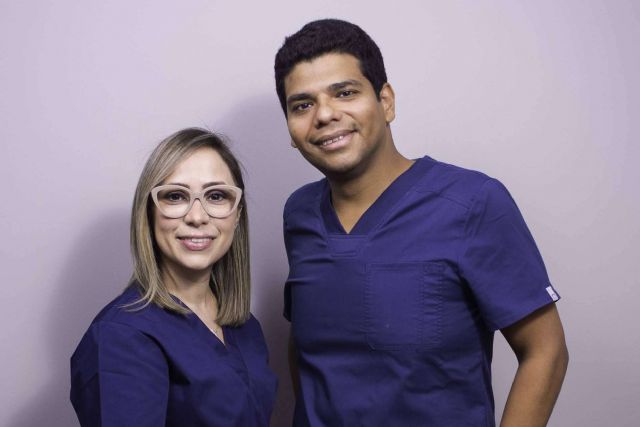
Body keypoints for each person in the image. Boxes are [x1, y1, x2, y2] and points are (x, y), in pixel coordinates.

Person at [274, 19, 568, 426]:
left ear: (386, 101)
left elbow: (546, 350)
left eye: (345, 92)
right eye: (302, 105)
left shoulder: (472, 202)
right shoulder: (299, 214)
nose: (324, 115)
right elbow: (312, 355)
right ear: (290, 128)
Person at [70, 128, 277, 426]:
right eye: (176, 196)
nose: (197, 216)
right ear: (150, 212)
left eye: (216, 196)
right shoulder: (121, 338)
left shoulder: (244, 326)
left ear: (237, 213)